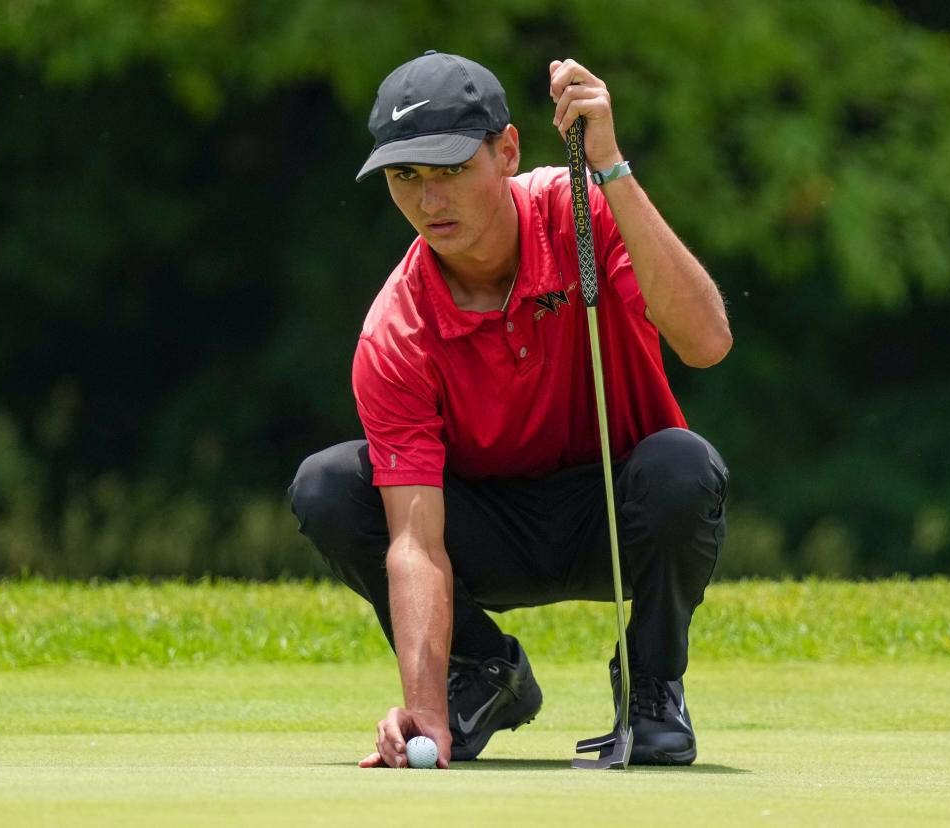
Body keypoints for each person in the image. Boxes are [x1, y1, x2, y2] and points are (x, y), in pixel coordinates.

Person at [289, 51, 731, 769]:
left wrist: (612, 167)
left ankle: (652, 685)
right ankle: (484, 672)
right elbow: (415, 543)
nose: (430, 201)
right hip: (481, 535)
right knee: (330, 486)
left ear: (508, 151)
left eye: (450, 170)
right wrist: (425, 707)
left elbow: (707, 342)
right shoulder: (396, 330)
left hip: (617, 521)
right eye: (407, 177)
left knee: (684, 463)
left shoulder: (582, 215)